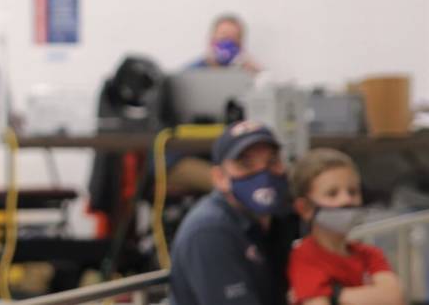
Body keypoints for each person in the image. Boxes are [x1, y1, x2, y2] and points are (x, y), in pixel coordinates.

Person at [169, 121, 298, 305]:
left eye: (272, 161)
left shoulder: (279, 217)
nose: (263, 174)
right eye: (246, 164)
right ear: (219, 177)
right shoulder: (210, 231)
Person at [287, 148, 404, 305]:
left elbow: (393, 297)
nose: (346, 200)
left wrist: (335, 294)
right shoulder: (304, 256)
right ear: (305, 208)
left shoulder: (370, 254)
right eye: (332, 193)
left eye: (353, 191)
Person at [190, 13, 261, 73]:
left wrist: (256, 74)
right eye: (224, 37)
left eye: (234, 38)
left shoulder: (246, 73)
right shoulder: (192, 72)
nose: (229, 43)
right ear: (211, 41)